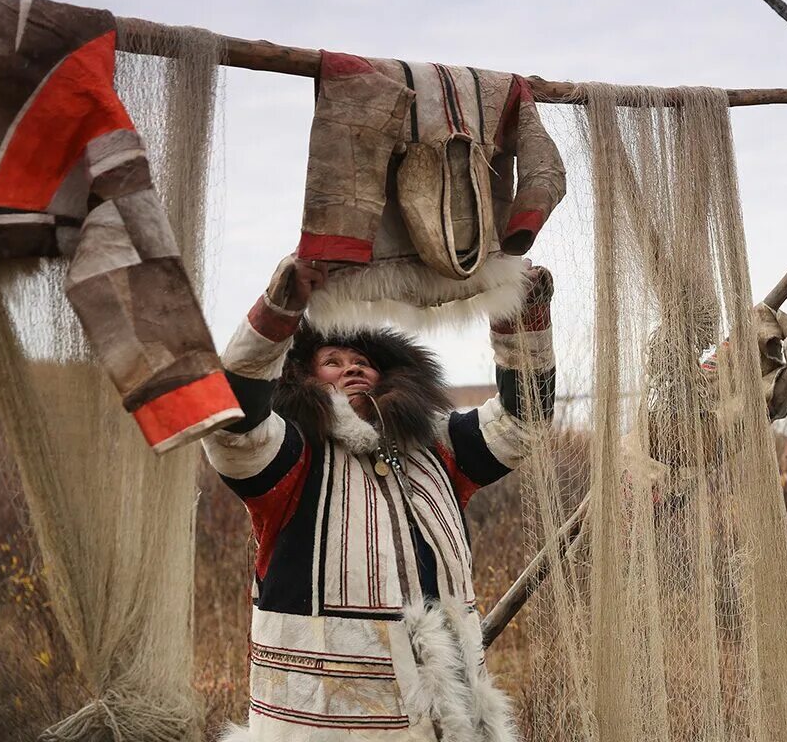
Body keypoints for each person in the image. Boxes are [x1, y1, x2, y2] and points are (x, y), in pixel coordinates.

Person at [204, 254, 554, 742]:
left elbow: (521, 425)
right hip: (322, 722)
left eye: (362, 363)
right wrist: (278, 311)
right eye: (332, 362)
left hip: (447, 717)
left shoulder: (436, 446)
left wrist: (523, 318)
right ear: (302, 377)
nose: (351, 369)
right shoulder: (292, 454)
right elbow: (233, 428)